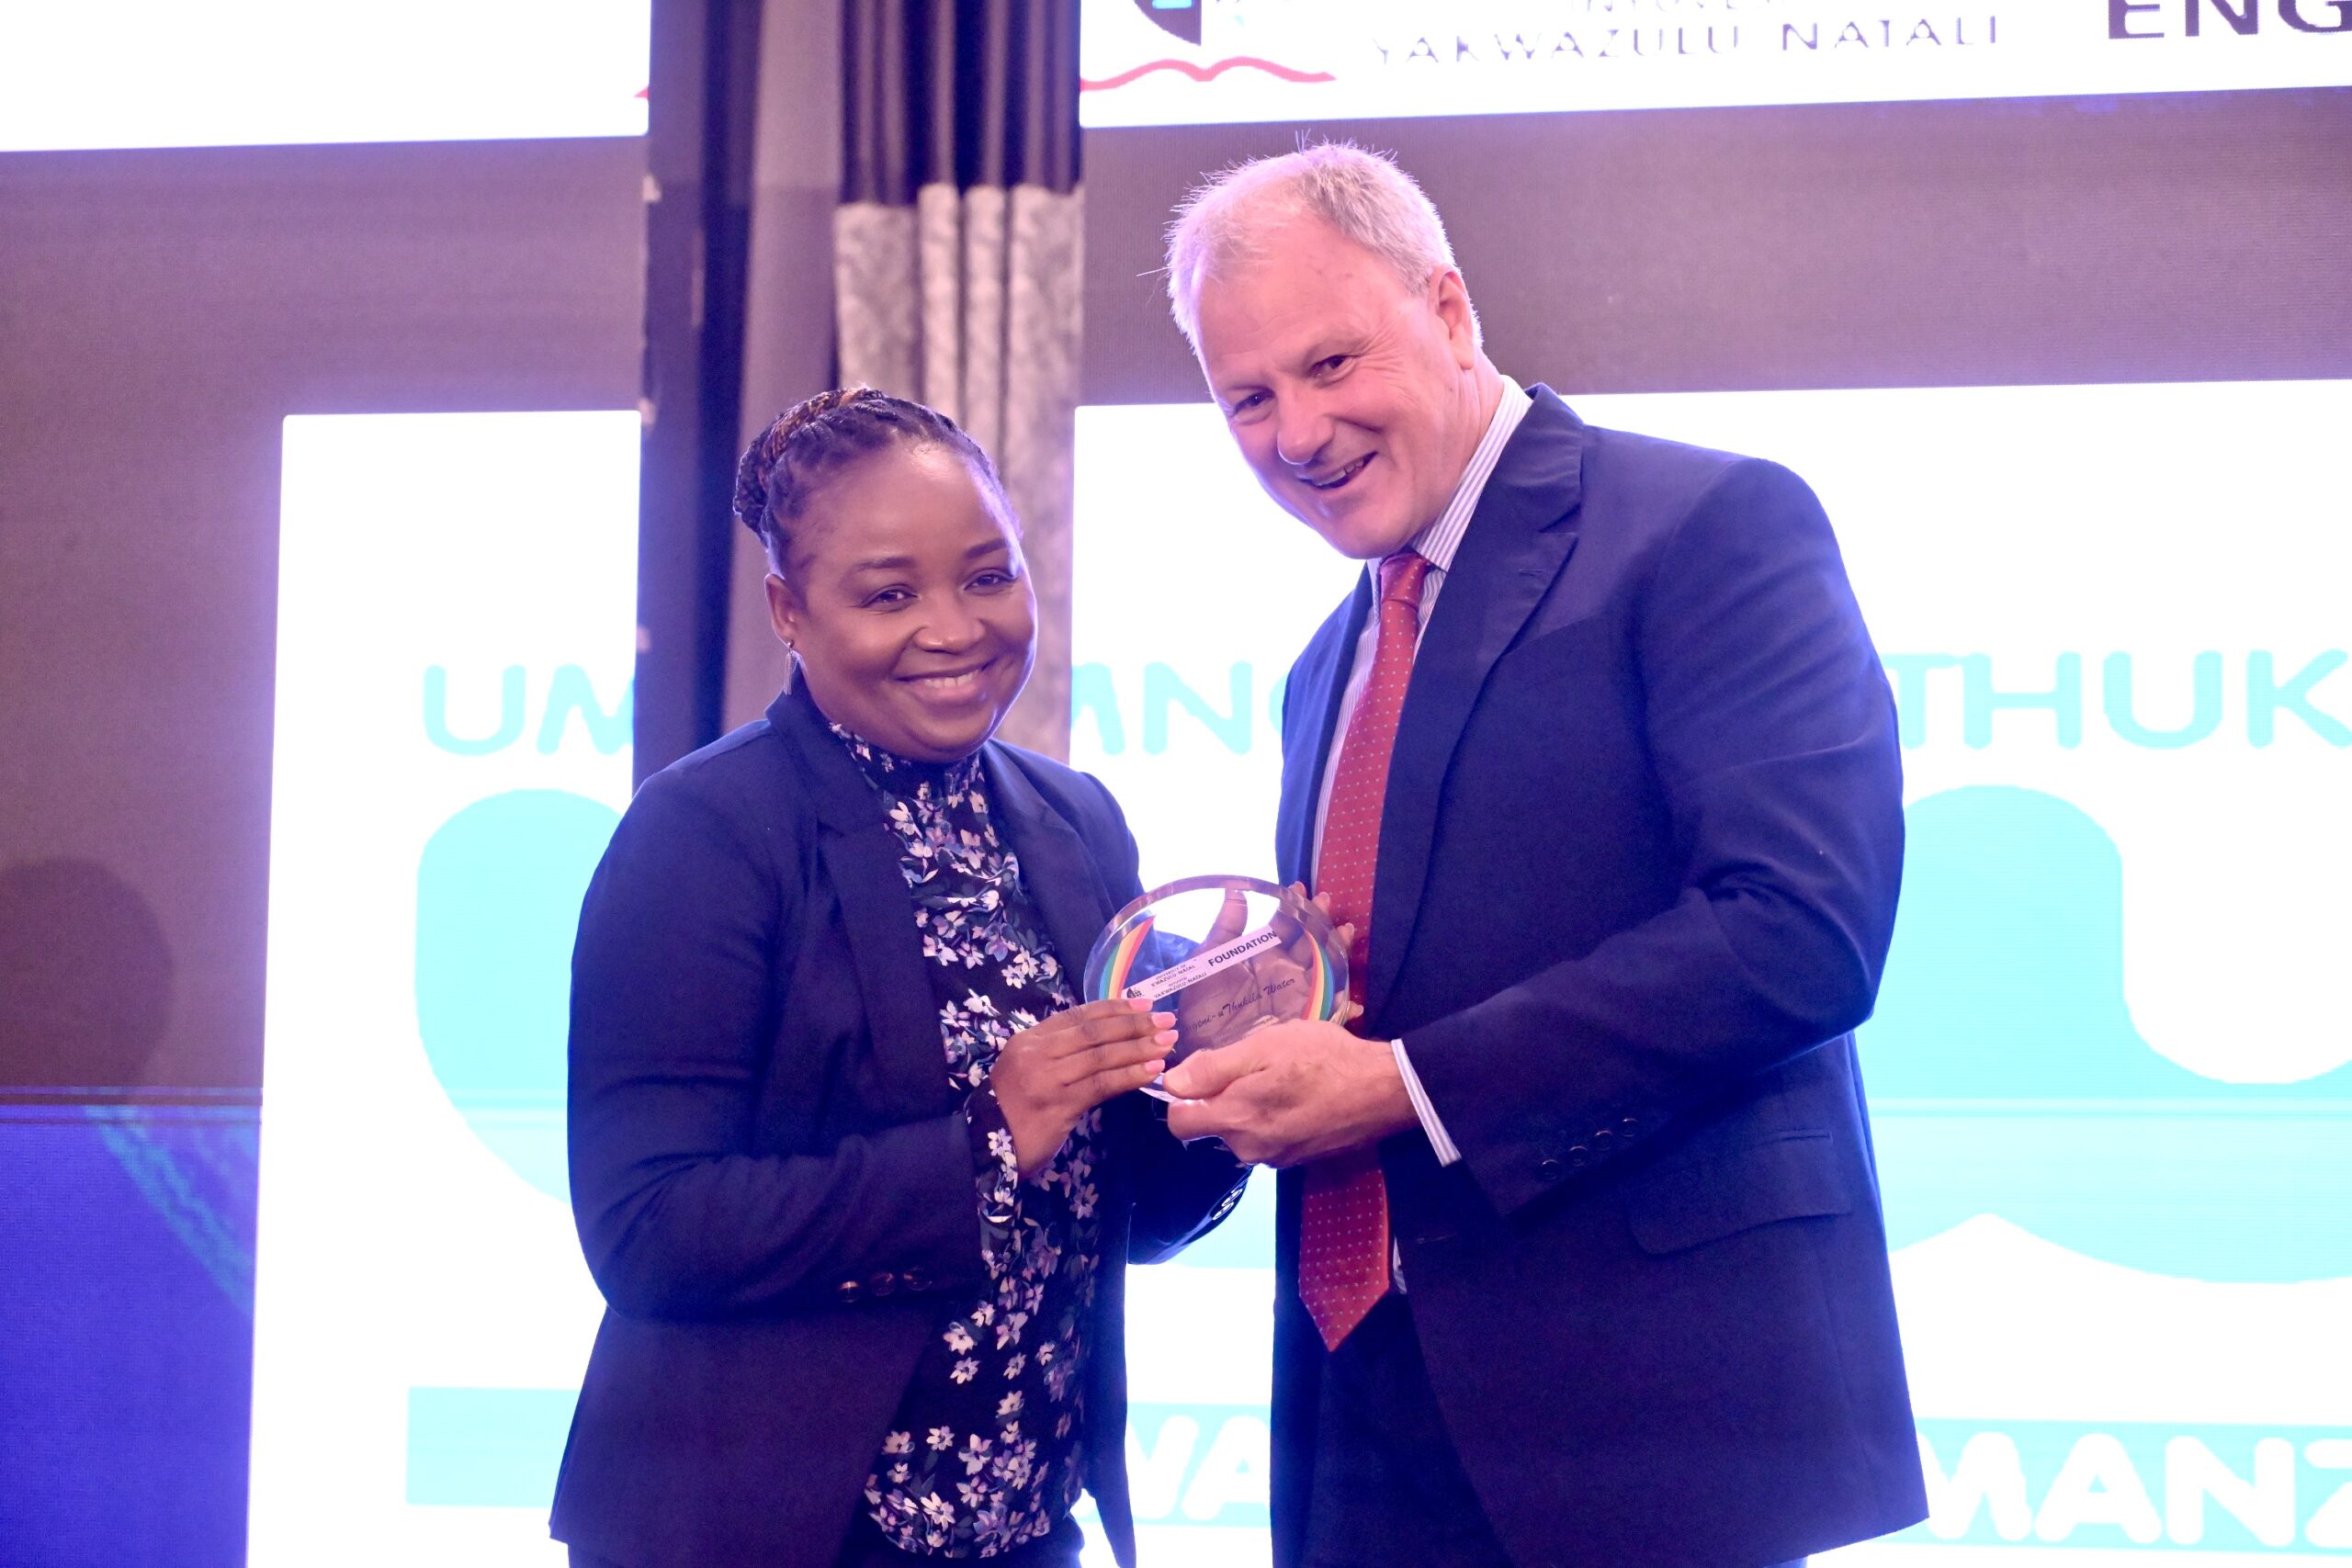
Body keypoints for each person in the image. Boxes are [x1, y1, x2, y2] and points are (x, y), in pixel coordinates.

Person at [1156, 145, 1929, 1568]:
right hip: (1362, 1414)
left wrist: (1400, 1082)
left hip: (1646, 1422)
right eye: (1247, 397)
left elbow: (1801, 927)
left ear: (1449, 309)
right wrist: (1247, 1015)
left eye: (1332, 362)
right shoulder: (1326, 664)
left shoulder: (1710, 525)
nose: (1299, 431)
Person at [550, 389, 1246, 1568]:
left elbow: (1116, 1216)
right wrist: (988, 1140)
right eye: (889, 595)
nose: (955, 627)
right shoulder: (702, 834)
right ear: (788, 609)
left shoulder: (1073, 820)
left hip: (1023, 1526)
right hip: (764, 1534)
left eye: (988, 576)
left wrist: (1213, 1079)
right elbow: (648, 1230)